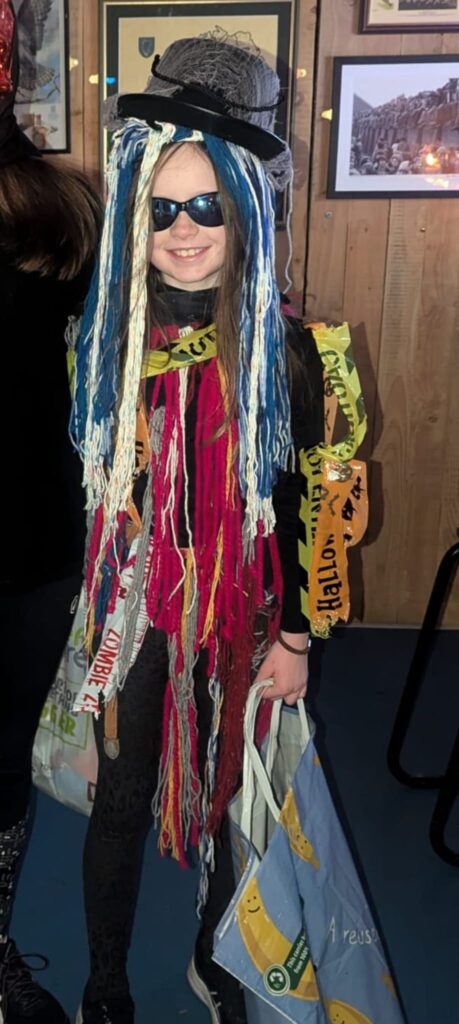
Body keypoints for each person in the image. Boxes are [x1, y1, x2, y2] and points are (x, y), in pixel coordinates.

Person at [71, 30, 324, 1024]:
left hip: (243, 608)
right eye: (163, 207)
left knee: (226, 795)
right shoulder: (105, 339)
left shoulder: (284, 351)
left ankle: (215, 957)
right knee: (119, 795)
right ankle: (104, 979)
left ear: (248, 208)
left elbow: (303, 505)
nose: (184, 230)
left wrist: (295, 635)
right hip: (133, 608)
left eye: (209, 206)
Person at [0, 3, 102, 1022]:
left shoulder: (55, 206)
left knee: (2, 761)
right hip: (34, 543)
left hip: (30, 543)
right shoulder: (57, 204)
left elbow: (132, 337)